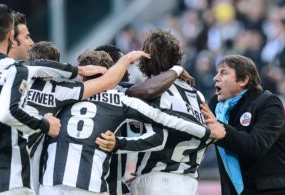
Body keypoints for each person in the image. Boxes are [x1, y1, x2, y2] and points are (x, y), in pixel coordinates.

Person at [39, 50, 222, 195]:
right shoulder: (121, 98)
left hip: (49, 182)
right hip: (92, 184)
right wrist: (206, 132)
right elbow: (165, 121)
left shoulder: (64, 92)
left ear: (84, 76)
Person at [98, 29, 225, 195]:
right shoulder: (197, 95)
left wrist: (120, 145)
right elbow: (207, 136)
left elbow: (159, 137)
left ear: (148, 57)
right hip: (188, 182)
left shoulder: (152, 90)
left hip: (156, 179)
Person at [0, 4, 83, 195]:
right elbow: (7, 113)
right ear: (10, 37)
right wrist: (45, 124)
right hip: (10, 180)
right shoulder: (13, 69)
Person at [200, 55, 285, 195]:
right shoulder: (216, 106)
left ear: (243, 80)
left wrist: (221, 128)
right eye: (217, 72)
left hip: (269, 190)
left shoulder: (269, 103)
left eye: (224, 72)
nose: (215, 77)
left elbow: (256, 146)